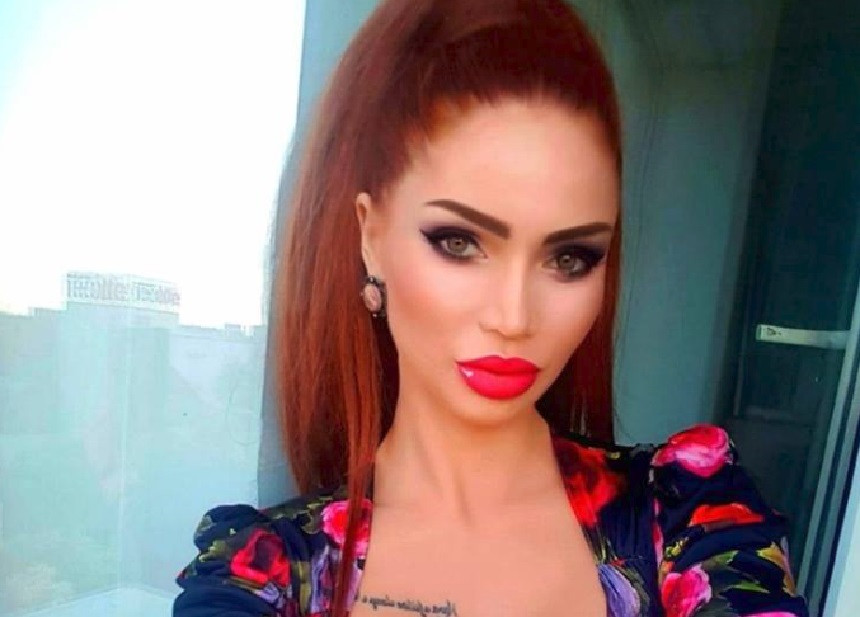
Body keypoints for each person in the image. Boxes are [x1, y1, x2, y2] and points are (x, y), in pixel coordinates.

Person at [173, 1, 809, 615]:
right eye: (459, 243)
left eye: (570, 258)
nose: (513, 317)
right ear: (371, 237)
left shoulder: (691, 517)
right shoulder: (263, 576)